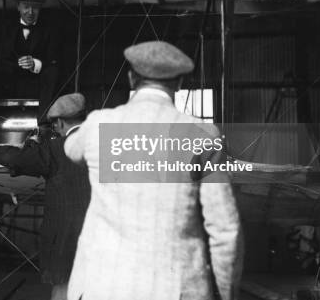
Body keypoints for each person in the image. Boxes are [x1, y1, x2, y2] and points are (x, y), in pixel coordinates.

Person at [64, 41, 243, 300]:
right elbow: (225, 229)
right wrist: (227, 294)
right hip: (174, 290)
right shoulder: (202, 134)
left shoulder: (99, 123)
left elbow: (72, 148)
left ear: (131, 78)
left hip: (102, 287)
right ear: (179, 83)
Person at [0, 93, 91, 300]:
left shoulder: (57, 148)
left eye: (54, 125)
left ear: (59, 122)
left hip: (67, 241)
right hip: (102, 240)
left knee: (63, 290)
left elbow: (19, 159)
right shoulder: (106, 144)